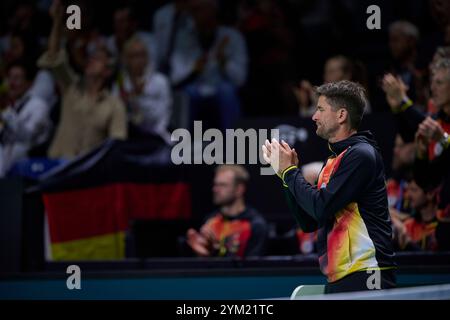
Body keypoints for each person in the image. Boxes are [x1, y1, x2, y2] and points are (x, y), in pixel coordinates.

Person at [262, 80, 396, 293]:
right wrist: (284, 176)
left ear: (341, 115)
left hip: (368, 274)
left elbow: (321, 207)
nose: (314, 116)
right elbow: (309, 221)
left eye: (320, 109)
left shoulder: (361, 155)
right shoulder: (334, 161)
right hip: (340, 276)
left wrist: (290, 172)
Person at [38, 0, 127, 160]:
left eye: (98, 58)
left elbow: (117, 145)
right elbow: (54, 57)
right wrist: (58, 22)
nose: (91, 59)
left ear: (107, 71)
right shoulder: (70, 87)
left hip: (87, 173)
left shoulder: (115, 106)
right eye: (91, 57)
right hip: (56, 167)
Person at [186, 164, 268, 258]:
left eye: (222, 185)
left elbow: (253, 268)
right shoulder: (210, 221)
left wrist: (216, 251)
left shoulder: (255, 224)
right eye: (215, 184)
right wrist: (202, 254)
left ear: (239, 189)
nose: (215, 189)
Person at [113, 37, 172, 142]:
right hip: (127, 137)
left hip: (156, 135)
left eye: (142, 55)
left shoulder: (160, 81)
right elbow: (115, 116)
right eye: (134, 56)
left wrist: (138, 98)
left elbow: (161, 115)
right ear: (125, 59)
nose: (139, 60)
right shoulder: (120, 83)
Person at [0, 62, 51, 176]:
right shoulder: (11, 106)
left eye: (17, 78)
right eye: (10, 77)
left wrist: (5, 113)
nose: (12, 83)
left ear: (29, 83)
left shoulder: (39, 105)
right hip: (7, 165)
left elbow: (27, 137)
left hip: (30, 166)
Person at [392, 179, 438, 251]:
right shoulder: (407, 227)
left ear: (430, 193)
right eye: (408, 190)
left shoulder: (442, 228)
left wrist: (409, 244)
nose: (408, 195)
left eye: (414, 190)